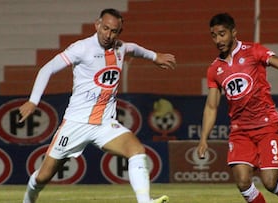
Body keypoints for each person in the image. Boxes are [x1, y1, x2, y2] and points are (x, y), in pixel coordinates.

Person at [19, 8, 175, 203]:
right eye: (105, 29)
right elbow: (47, 68)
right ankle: (28, 200)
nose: (108, 35)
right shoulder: (81, 48)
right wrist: (33, 101)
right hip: (75, 124)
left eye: (114, 31)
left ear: (119, 32)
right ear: (97, 25)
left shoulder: (120, 48)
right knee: (43, 176)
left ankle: (145, 201)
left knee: (136, 150)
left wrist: (154, 56)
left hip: (104, 124)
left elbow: (134, 48)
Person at [197, 13, 278, 203]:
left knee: (269, 182)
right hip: (240, 131)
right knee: (243, 181)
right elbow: (211, 106)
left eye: (222, 34)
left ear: (233, 32)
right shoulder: (214, 69)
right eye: (214, 35)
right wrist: (203, 138)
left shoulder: (253, 51)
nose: (218, 40)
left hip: (267, 126)